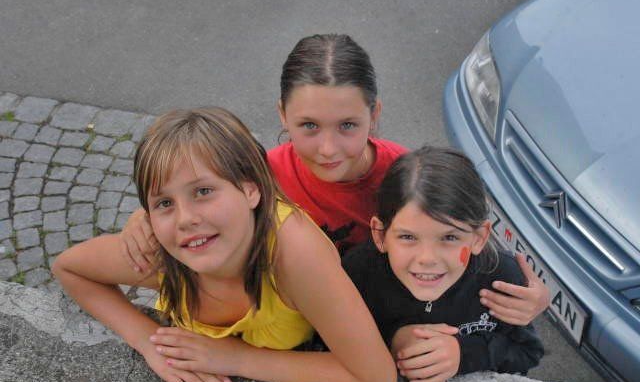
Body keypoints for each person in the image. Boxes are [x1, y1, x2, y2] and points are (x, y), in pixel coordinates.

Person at [119, 34, 548, 327]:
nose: (328, 149)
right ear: (282, 115)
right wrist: (145, 217)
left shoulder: (407, 178)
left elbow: (463, 237)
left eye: (347, 126)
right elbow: (194, 196)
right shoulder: (260, 175)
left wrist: (534, 297)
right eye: (308, 126)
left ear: (374, 115)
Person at [52, 107, 397, 382]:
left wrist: (238, 358)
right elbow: (70, 269)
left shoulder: (294, 256)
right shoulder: (160, 253)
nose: (185, 219)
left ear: (250, 190)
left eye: (203, 191)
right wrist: (148, 341)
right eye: (164, 203)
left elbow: (375, 380)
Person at [343, 146, 544, 382]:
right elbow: (328, 343)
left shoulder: (501, 279)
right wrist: (391, 341)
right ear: (380, 235)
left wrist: (463, 353)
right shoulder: (358, 274)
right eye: (408, 237)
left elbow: (528, 351)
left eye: (449, 238)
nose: (427, 259)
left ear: (479, 238)